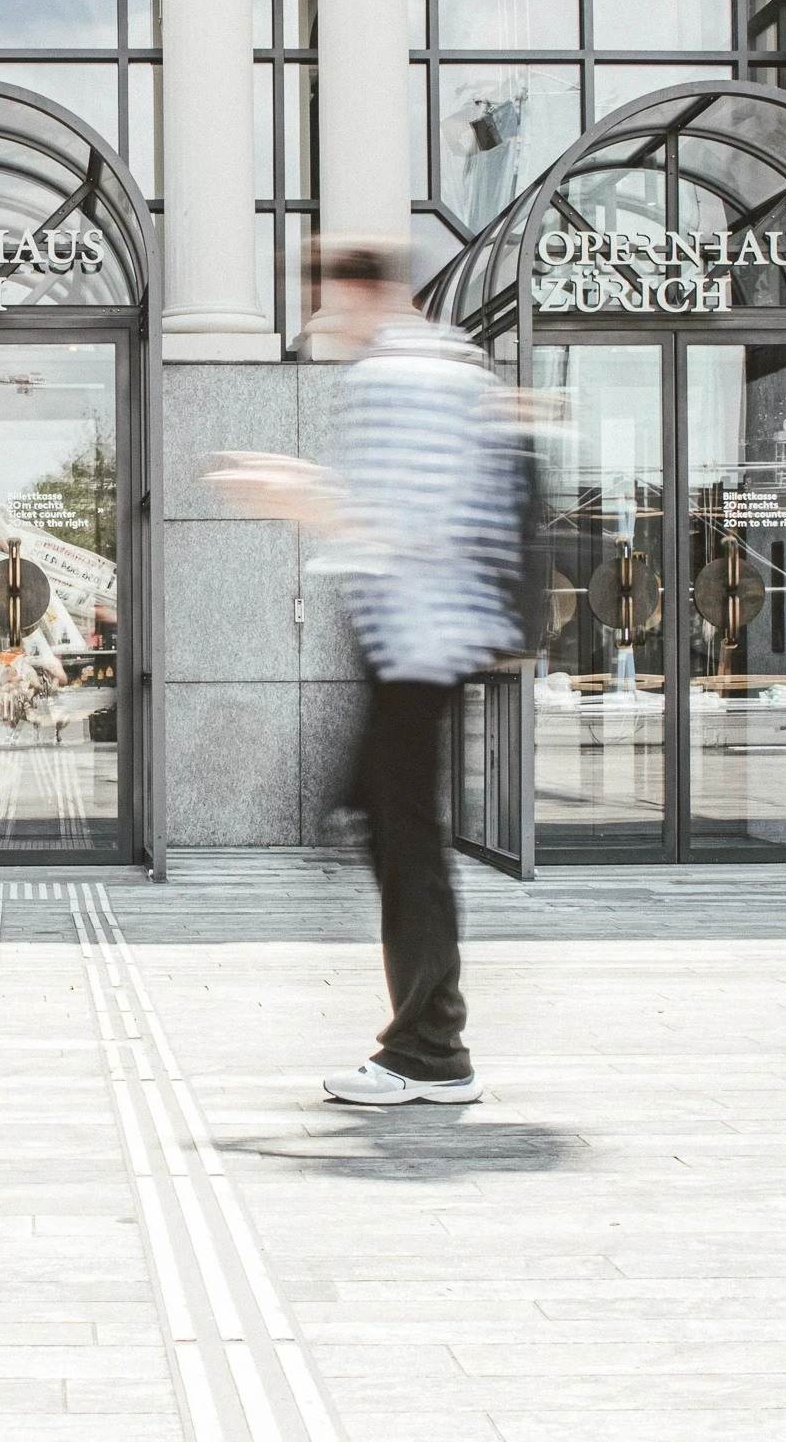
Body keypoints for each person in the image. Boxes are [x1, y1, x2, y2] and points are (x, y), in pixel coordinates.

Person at [207, 237, 524, 1107]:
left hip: (417, 640)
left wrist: (292, 491)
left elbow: (406, 519)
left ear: (358, 293)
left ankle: (430, 1051)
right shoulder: (445, 369)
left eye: (322, 299)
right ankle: (428, 1040)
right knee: (393, 831)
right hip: (423, 639)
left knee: (407, 842)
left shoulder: (404, 378)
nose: (320, 320)